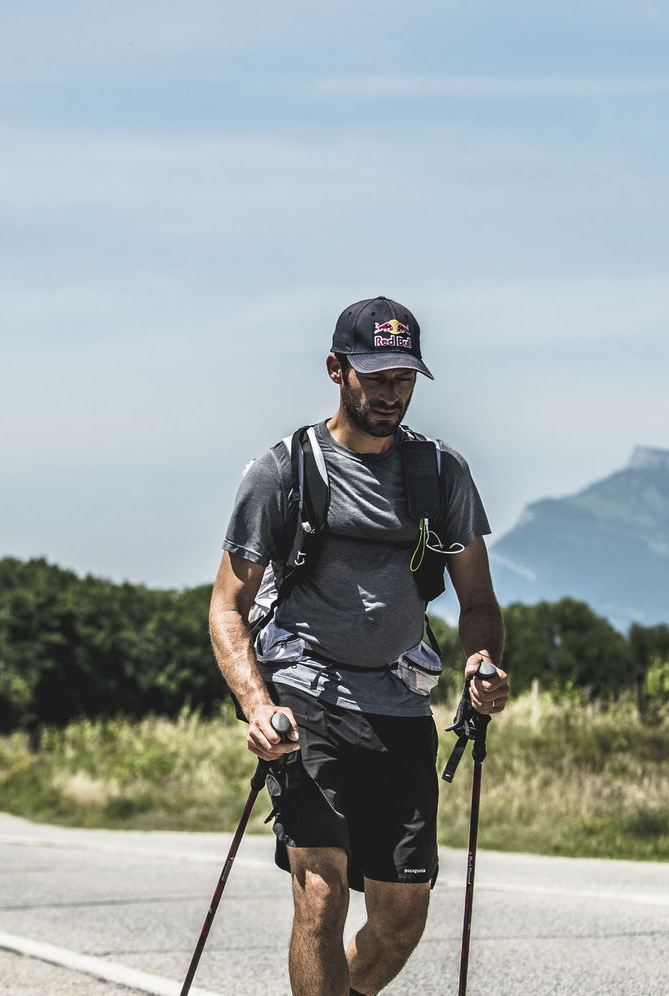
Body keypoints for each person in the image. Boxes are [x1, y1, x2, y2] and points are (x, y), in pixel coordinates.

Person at [208, 296, 510, 996]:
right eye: (375, 376)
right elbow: (228, 606)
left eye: (404, 377)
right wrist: (256, 704)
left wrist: (480, 662)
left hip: (400, 703)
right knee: (322, 891)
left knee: (402, 916)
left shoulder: (441, 474)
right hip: (304, 698)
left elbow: (479, 602)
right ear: (336, 370)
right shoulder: (284, 471)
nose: (391, 392)